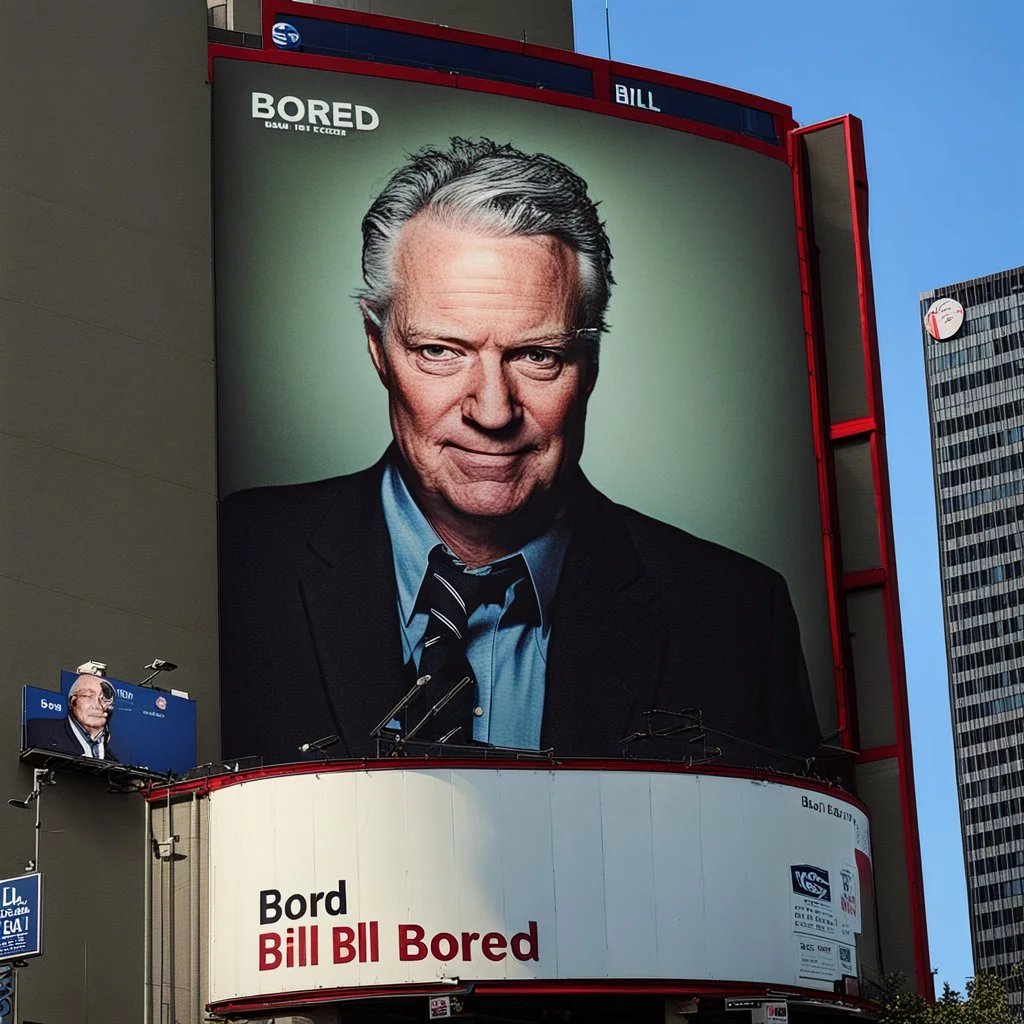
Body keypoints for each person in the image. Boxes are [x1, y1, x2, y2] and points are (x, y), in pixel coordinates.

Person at [219, 138, 821, 768]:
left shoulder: (736, 617)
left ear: (588, 365)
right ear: (378, 348)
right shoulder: (236, 557)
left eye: (537, 356)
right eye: (440, 352)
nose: (492, 411)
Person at [25, 673, 120, 761]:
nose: (98, 705)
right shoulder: (39, 730)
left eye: (104, 699)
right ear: (72, 701)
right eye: (89, 696)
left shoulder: (113, 760)